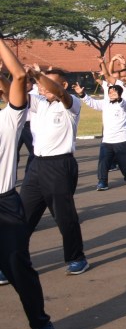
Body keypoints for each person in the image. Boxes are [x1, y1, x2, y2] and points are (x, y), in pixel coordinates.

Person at [0, 38, 64, 329]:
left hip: (5, 205)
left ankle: (42, 324)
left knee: (19, 270)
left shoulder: (8, 121)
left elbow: (20, 77)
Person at [20, 65, 89, 275]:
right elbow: (10, 90)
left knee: (64, 216)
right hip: (36, 165)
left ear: (64, 84)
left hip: (60, 165)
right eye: (40, 85)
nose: (42, 88)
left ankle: (77, 257)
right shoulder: (39, 103)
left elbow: (57, 92)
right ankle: (13, 260)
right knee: (22, 216)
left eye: (46, 83)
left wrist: (37, 75)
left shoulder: (71, 103)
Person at [75, 81, 126, 190]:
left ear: (120, 94)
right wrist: (82, 94)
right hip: (107, 140)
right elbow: (91, 102)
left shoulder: (124, 103)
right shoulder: (105, 103)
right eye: (110, 92)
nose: (111, 94)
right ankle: (102, 182)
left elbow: (123, 104)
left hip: (122, 139)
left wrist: (119, 98)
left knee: (125, 162)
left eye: (114, 92)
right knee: (103, 162)